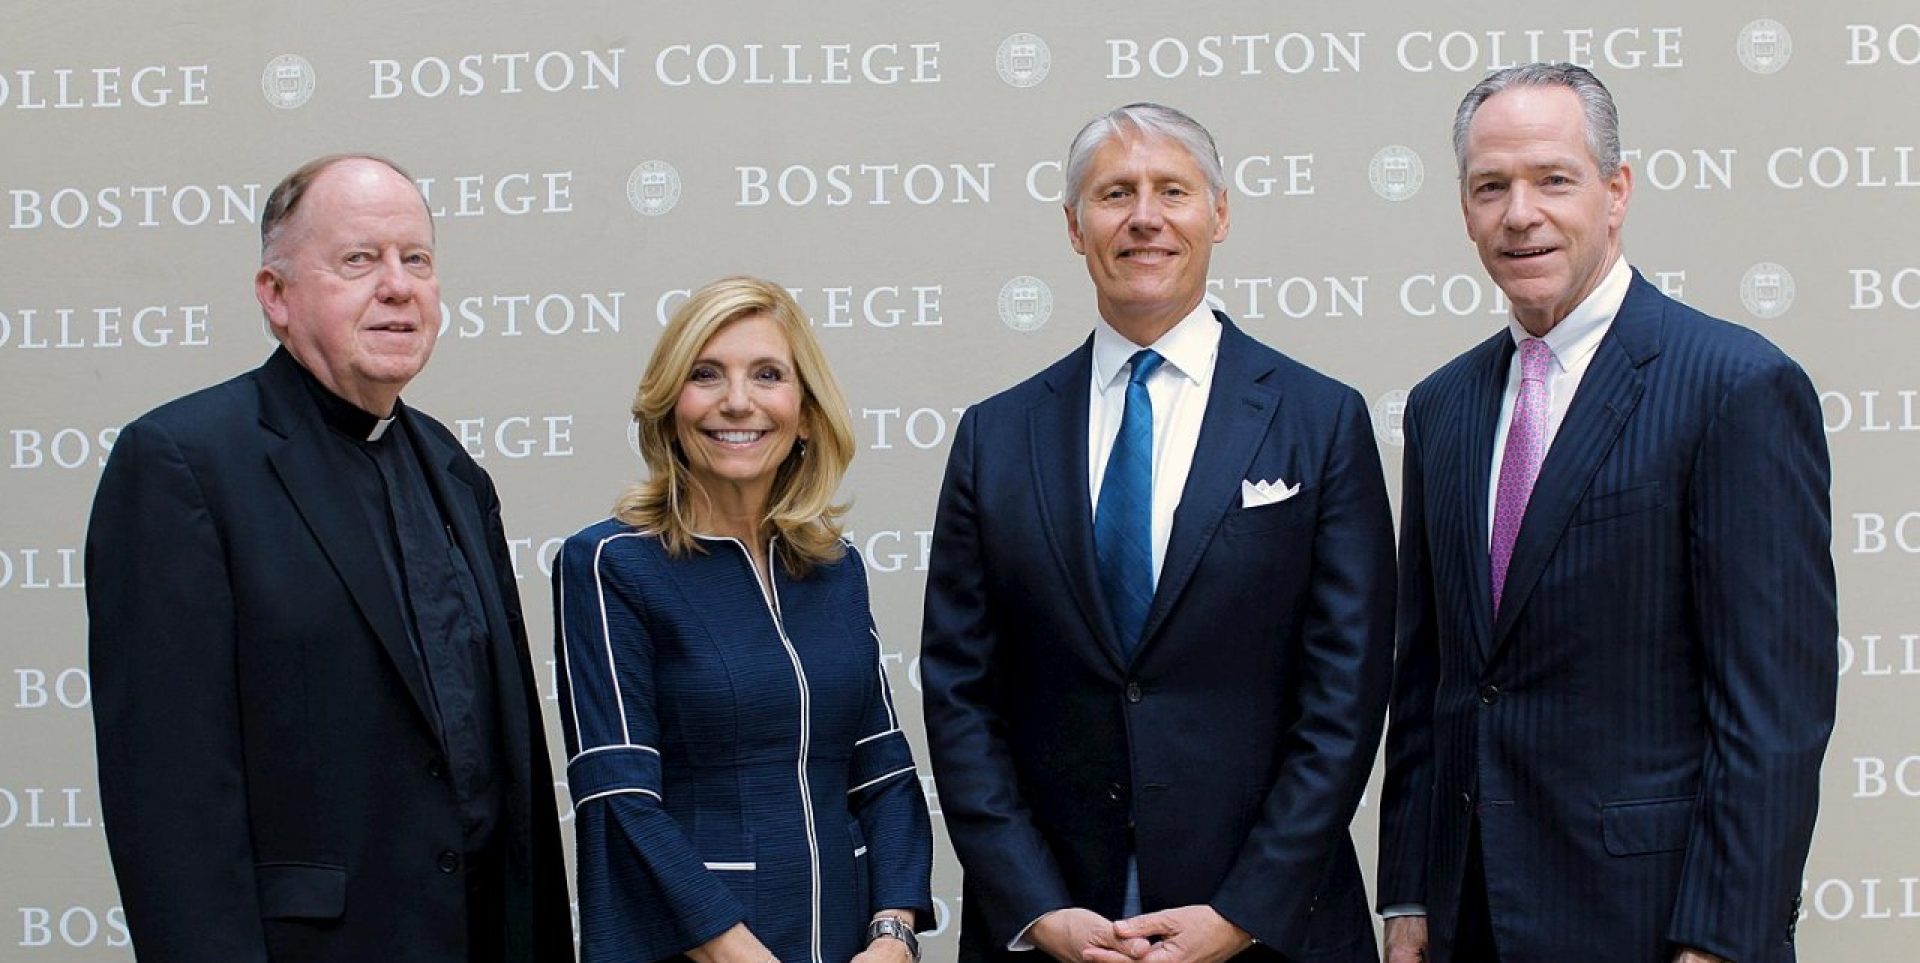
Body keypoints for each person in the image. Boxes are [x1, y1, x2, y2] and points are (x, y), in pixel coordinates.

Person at [1375, 63, 1837, 963]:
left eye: (1553, 178)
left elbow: (1773, 712)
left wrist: (1719, 940)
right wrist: (1407, 897)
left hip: (1655, 923)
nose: (1520, 213)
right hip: (1470, 921)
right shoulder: (1443, 407)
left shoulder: (1735, 385)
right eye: (1490, 187)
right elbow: (1432, 681)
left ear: (1615, 192)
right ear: (1464, 209)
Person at [921, 103, 1396, 963]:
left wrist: (1243, 908)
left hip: (1267, 923)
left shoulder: (1319, 419)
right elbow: (960, 694)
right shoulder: (997, 437)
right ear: (1074, 226)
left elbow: (1347, 697)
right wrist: (1033, 905)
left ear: (1219, 213)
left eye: (1172, 190)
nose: (1144, 216)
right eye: (1115, 194)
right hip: (1059, 925)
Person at [86, 154, 572, 961]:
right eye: (359, 260)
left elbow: (506, 768)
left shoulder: (456, 472)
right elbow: (168, 803)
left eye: (416, 259)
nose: (398, 285)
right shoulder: (183, 464)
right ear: (275, 296)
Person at [552, 276, 933, 963]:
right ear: (670, 406)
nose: (738, 400)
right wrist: (735, 952)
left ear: (806, 412)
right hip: (703, 949)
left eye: (767, 374)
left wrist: (894, 931)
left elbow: (883, 775)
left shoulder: (834, 568)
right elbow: (619, 799)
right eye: (706, 374)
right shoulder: (611, 563)